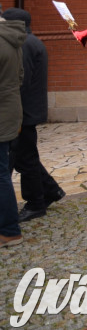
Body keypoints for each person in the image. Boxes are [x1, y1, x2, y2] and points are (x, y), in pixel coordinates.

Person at [2, 8, 64, 223]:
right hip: (27, 110)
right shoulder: (30, 41)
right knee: (25, 156)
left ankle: (36, 203)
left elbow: (21, 82)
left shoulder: (25, 44)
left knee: (25, 160)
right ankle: (51, 190)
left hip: (23, 112)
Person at [0, 14, 26, 248]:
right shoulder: (11, 37)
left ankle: (8, 230)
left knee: (0, 174)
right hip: (9, 110)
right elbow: (19, 77)